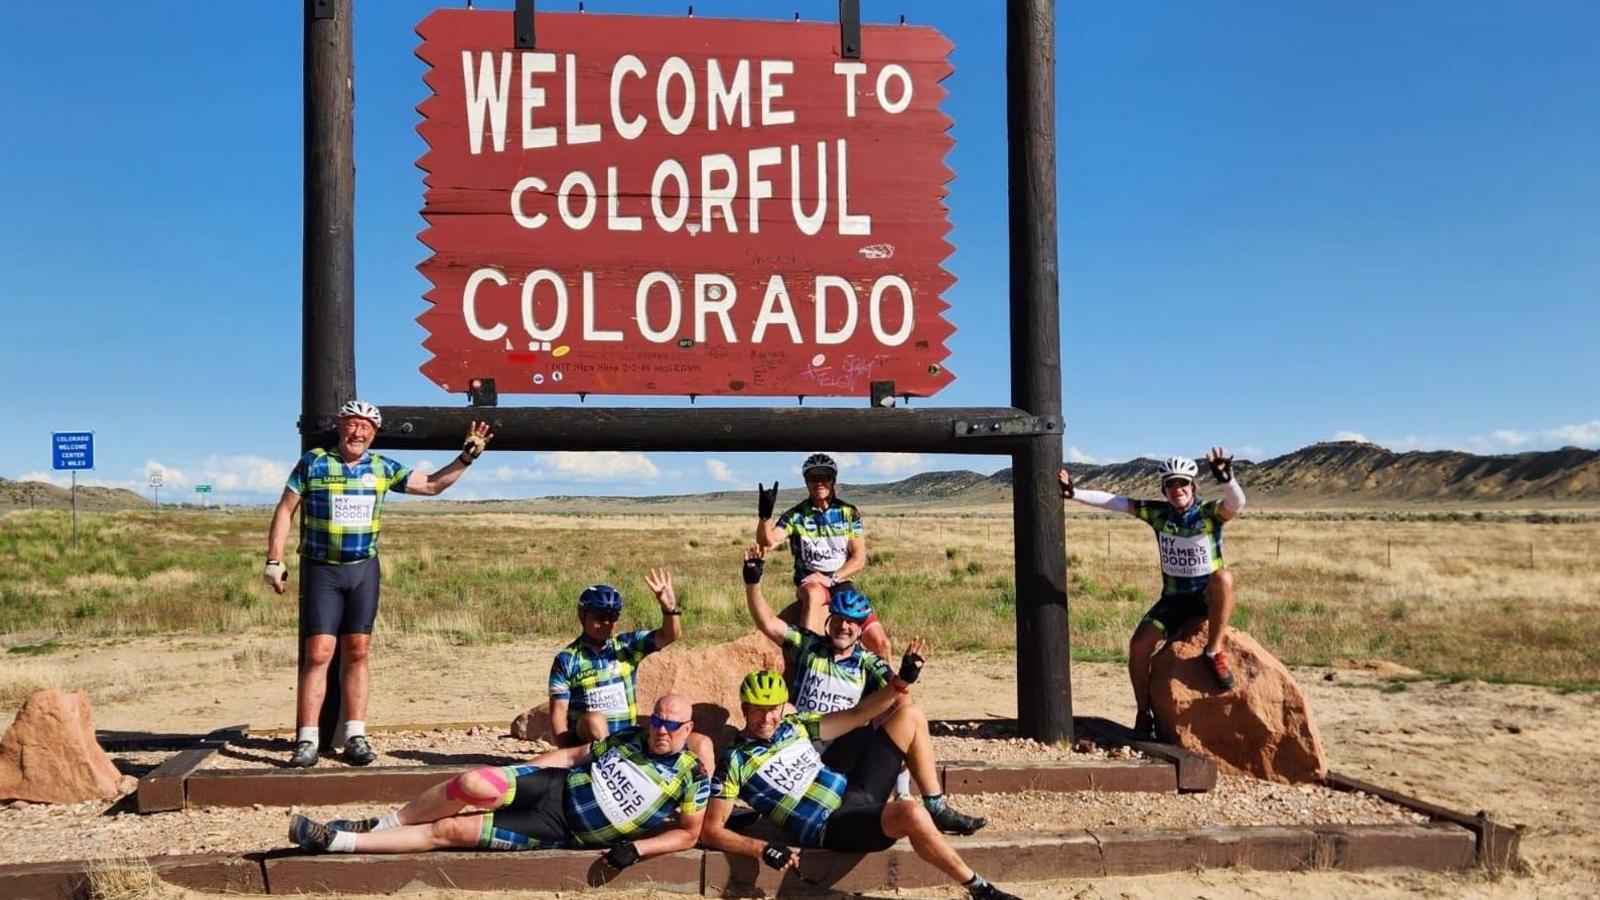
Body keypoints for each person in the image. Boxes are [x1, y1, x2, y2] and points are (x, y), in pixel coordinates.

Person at [263, 400, 493, 768]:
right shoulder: (315, 462)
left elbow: (432, 486)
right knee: (319, 652)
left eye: (366, 427)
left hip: (362, 570)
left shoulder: (382, 467)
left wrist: (466, 458)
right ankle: (307, 739)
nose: (358, 432)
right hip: (322, 569)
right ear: (340, 427)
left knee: (357, 650)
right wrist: (274, 559)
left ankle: (355, 734)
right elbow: (285, 509)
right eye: (352, 424)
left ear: (374, 433)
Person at [288, 694, 707, 867]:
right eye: (657, 720)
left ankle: (338, 841)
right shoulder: (629, 736)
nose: (661, 730)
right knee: (471, 784)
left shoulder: (691, 776)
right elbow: (573, 755)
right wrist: (524, 773)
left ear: (688, 729)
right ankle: (384, 826)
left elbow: (690, 834)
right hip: (554, 786)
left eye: (672, 725)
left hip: (562, 829)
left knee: (452, 830)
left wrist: (637, 849)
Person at [700, 671, 1012, 900]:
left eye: (773, 709)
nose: (767, 718)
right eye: (758, 710)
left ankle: (937, 806)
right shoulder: (735, 760)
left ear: (783, 707)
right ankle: (980, 888)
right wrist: (761, 848)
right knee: (910, 814)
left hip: (854, 792)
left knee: (910, 714)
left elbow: (858, 714)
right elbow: (711, 830)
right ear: (744, 709)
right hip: (830, 825)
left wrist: (901, 681)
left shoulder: (794, 726)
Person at [1059, 446, 1246, 737]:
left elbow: (1236, 504)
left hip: (1205, 596)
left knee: (1223, 576)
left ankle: (1214, 650)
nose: (1177, 489)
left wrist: (1226, 478)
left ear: (1193, 486)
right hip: (1173, 599)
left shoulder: (1209, 514)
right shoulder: (1159, 514)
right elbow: (1116, 502)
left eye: (1182, 482)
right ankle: (1143, 711)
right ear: (1164, 489)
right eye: (1170, 484)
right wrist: (1074, 494)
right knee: (1138, 646)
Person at [547, 570, 712, 772]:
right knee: (595, 720)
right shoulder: (567, 659)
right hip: (587, 742)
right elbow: (558, 714)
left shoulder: (626, 646)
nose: (607, 623)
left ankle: (703, 801)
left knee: (702, 744)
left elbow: (669, 635)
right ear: (583, 615)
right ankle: (611, 768)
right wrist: (567, 755)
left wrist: (669, 609)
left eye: (612, 616)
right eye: (600, 616)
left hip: (630, 738)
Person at [754, 453, 890, 658]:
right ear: (806, 482)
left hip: (841, 581)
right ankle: (806, 656)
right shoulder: (796, 515)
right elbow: (768, 542)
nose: (819, 482)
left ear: (833, 480)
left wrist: (830, 578)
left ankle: (890, 688)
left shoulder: (849, 513)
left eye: (824, 476)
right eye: (812, 477)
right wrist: (765, 516)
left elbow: (859, 559)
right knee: (813, 594)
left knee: (882, 644)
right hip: (811, 582)